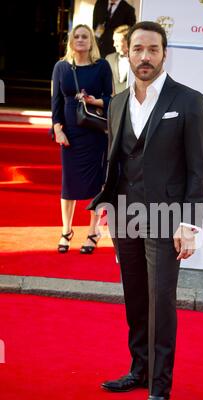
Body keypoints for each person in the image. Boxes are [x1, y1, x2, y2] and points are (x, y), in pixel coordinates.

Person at [88, 21, 203, 400]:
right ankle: (139, 370)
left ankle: (159, 389)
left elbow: (198, 170)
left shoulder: (189, 101)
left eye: (153, 50)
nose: (145, 56)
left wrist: (190, 224)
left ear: (164, 53)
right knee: (137, 298)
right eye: (137, 49)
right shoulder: (119, 101)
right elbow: (117, 162)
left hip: (167, 219)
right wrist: (107, 206)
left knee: (161, 305)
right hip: (127, 216)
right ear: (128, 52)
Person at [51, 24, 113, 254]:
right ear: (70, 41)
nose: (80, 40)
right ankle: (66, 231)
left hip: (95, 133)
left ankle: (92, 231)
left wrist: (94, 101)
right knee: (68, 185)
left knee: (97, 184)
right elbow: (56, 101)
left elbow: (111, 99)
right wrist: (57, 129)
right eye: (76, 36)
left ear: (91, 41)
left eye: (84, 36)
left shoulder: (102, 66)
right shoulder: (61, 67)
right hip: (70, 135)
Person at [105, 25, 129, 94]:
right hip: (113, 100)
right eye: (114, 41)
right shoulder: (109, 59)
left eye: (117, 41)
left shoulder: (138, 60)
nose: (114, 44)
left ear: (128, 41)